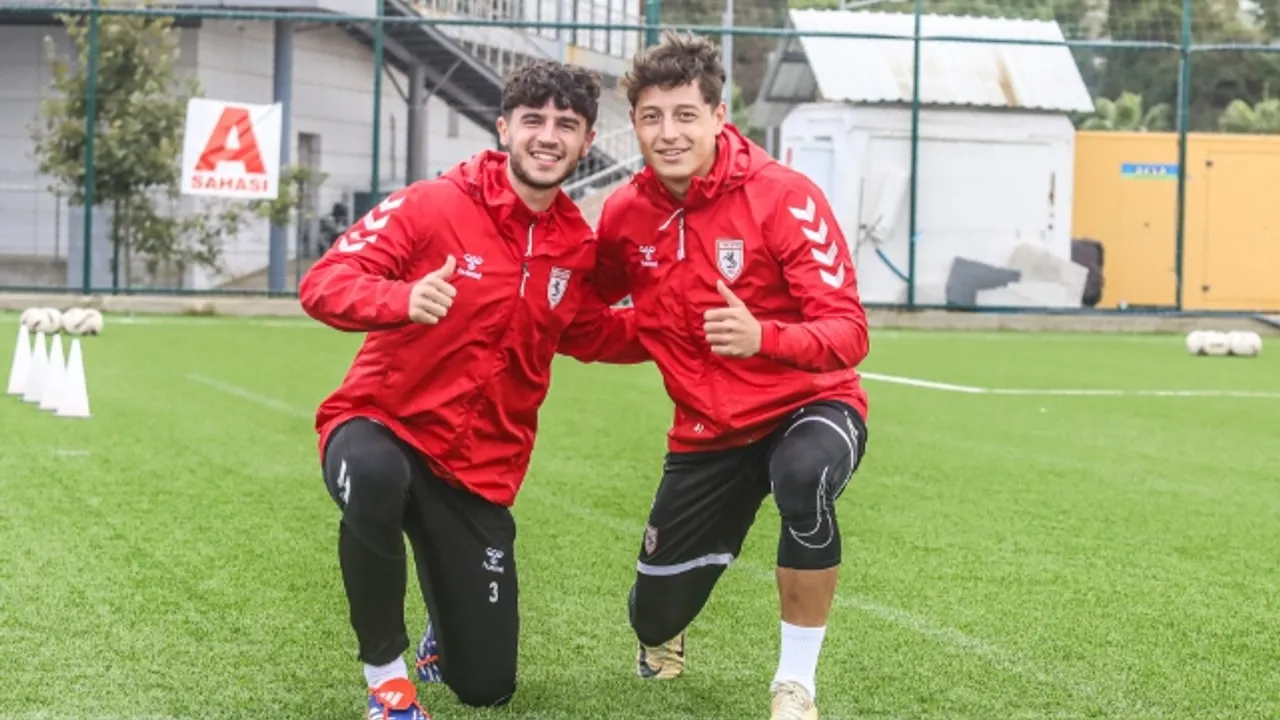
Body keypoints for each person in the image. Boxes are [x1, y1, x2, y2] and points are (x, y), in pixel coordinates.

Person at [298, 60, 647, 720]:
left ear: (586, 140)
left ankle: (444, 635)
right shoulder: (432, 204)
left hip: (476, 471)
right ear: (504, 128)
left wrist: (682, 328)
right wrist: (400, 299)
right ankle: (388, 686)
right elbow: (324, 284)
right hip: (382, 424)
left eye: (566, 124)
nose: (548, 137)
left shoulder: (576, 245)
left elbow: (589, 331)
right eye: (533, 120)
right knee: (375, 477)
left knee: (487, 688)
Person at [592, 31, 872, 720]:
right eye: (652, 117)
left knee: (804, 479)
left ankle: (794, 685)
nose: (669, 133)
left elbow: (848, 332)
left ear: (720, 116)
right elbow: (586, 309)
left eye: (686, 115)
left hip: (808, 405)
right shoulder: (625, 213)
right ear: (635, 124)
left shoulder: (785, 197)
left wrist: (763, 338)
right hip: (708, 428)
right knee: (652, 616)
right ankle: (664, 627)